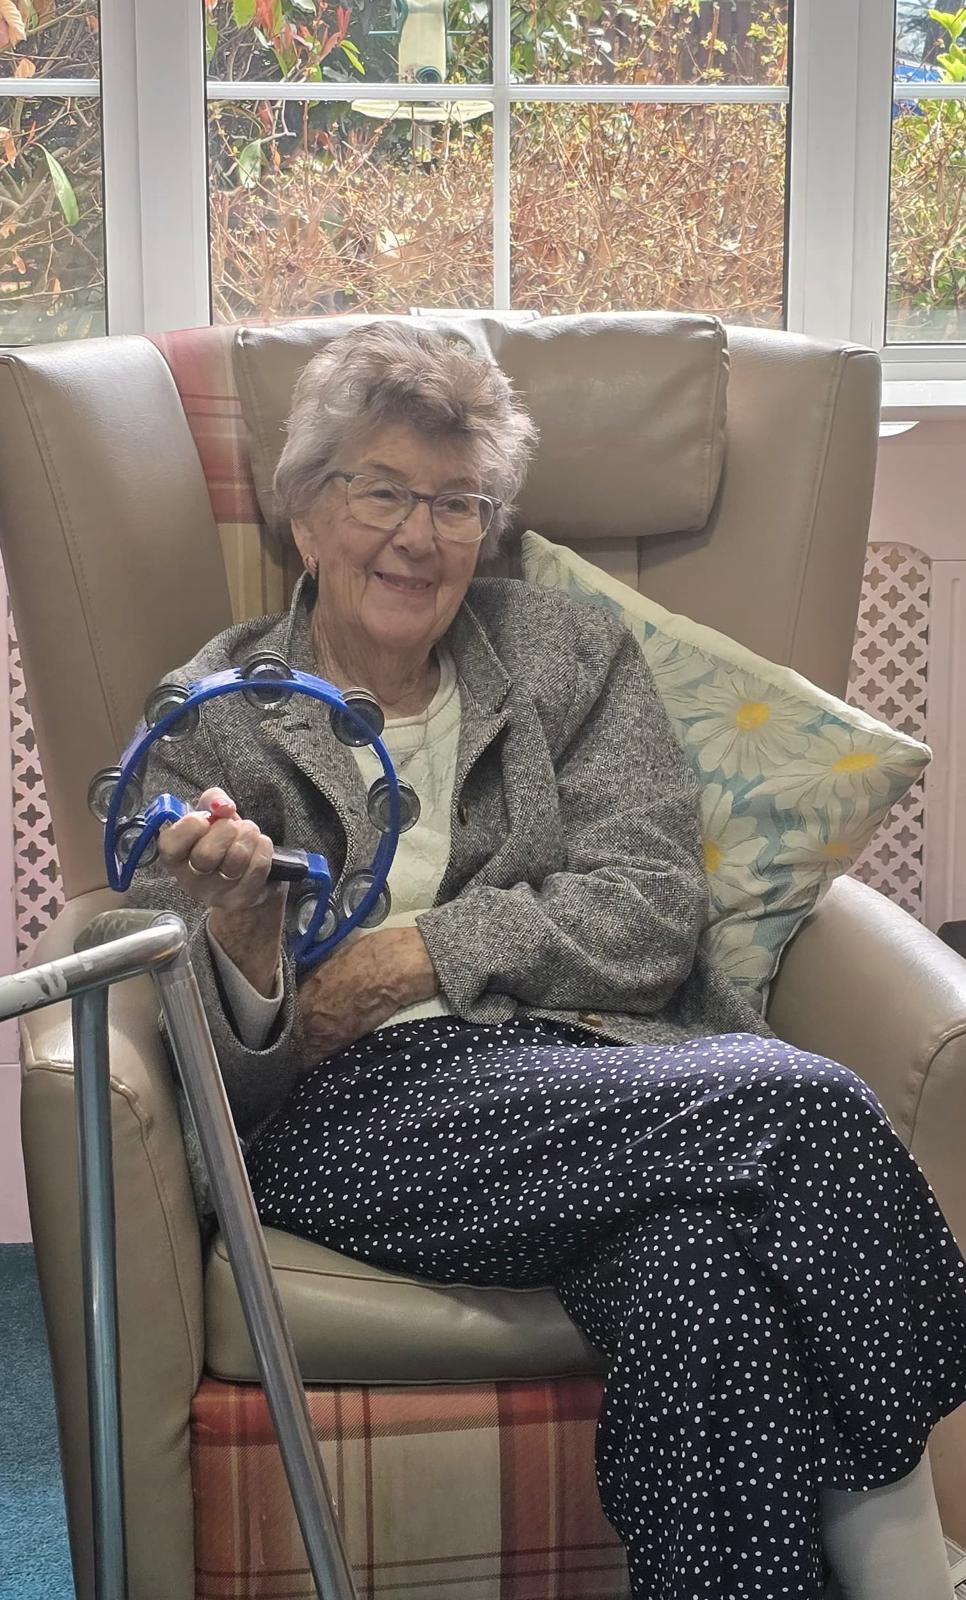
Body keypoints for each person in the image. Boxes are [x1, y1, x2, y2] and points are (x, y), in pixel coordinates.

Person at [130, 320, 966, 1600]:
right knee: (801, 1105)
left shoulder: (570, 655)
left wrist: (414, 954)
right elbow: (217, 1061)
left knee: (700, 1281)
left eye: (458, 502)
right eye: (383, 491)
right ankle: (920, 1563)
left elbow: (649, 909)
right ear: (305, 511)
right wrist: (246, 947)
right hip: (353, 1120)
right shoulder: (215, 717)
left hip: (602, 1075)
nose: (420, 535)